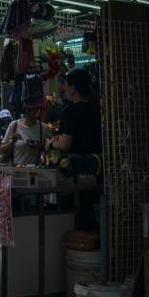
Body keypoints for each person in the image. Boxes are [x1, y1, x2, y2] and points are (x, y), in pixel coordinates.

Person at [50, 68, 102, 230]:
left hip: (77, 173)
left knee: (77, 220)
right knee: (93, 218)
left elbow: (65, 144)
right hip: (96, 172)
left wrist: (52, 144)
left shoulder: (70, 112)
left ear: (73, 88)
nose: (63, 88)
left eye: (65, 85)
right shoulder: (96, 110)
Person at [0, 101, 52, 166]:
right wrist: (12, 142)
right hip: (16, 170)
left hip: (35, 172)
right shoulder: (14, 125)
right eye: (27, 109)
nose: (38, 111)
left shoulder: (44, 128)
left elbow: (49, 149)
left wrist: (46, 146)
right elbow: (2, 149)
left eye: (37, 109)